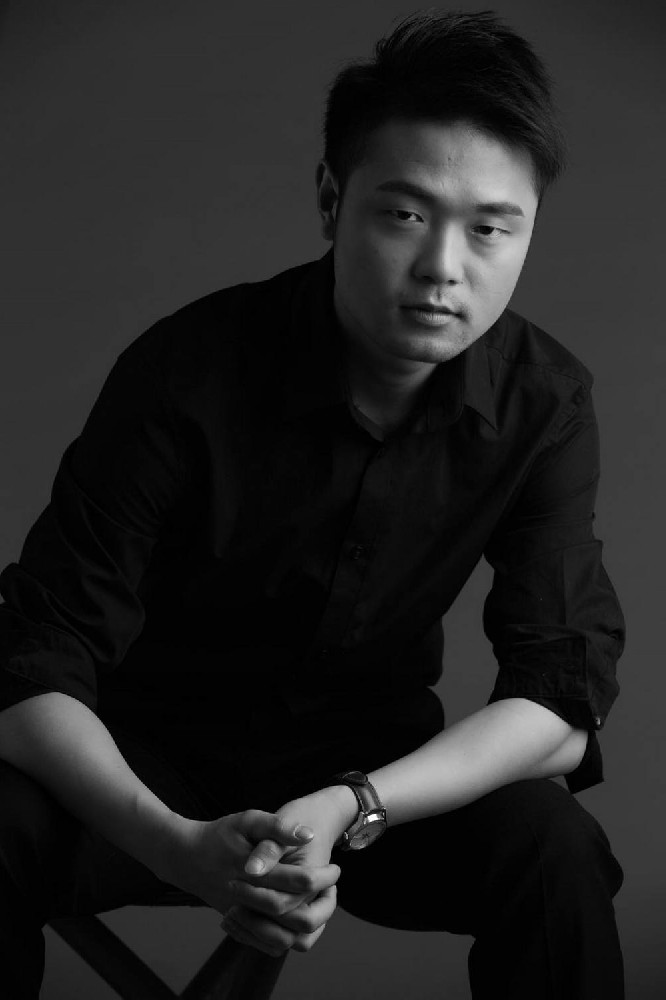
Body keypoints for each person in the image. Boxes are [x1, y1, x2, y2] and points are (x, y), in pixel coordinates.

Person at [0, 9, 626, 999]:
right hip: (144, 766)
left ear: (529, 230)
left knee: (554, 848)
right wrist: (174, 844)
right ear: (333, 199)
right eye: (405, 215)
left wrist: (354, 802)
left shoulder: (544, 402)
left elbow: (557, 704)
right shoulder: (185, 371)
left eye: (490, 227)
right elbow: (31, 661)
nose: (444, 267)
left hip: (369, 778)